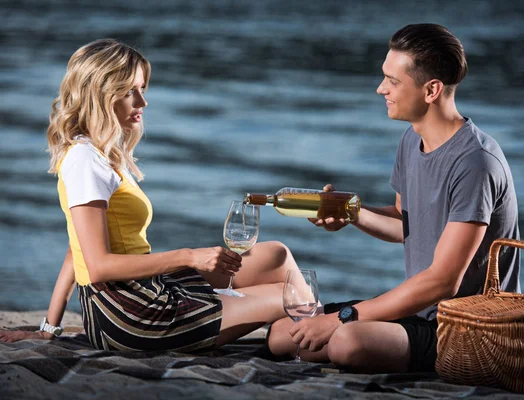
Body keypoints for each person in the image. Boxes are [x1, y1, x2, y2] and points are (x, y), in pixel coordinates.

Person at [0, 39, 304, 351]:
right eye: (131, 91)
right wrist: (188, 256)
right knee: (292, 297)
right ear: (100, 93)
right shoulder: (84, 160)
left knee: (277, 256)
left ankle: (309, 330)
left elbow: (73, 251)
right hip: (130, 314)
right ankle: (320, 336)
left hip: (143, 290)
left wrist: (48, 328)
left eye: (142, 88)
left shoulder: (101, 155)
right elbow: (97, 267)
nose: (142, 102)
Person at [268, 23, 520, 373]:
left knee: (345, 340)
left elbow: (443, 281)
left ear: (431, 90)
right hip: (416, 312)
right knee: (282, 334)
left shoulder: (476, 163)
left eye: (393, 81)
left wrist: (344, 318)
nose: (380, 88)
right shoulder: (410, 140)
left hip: (466, 328)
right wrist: (352, 212)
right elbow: (405, 223)